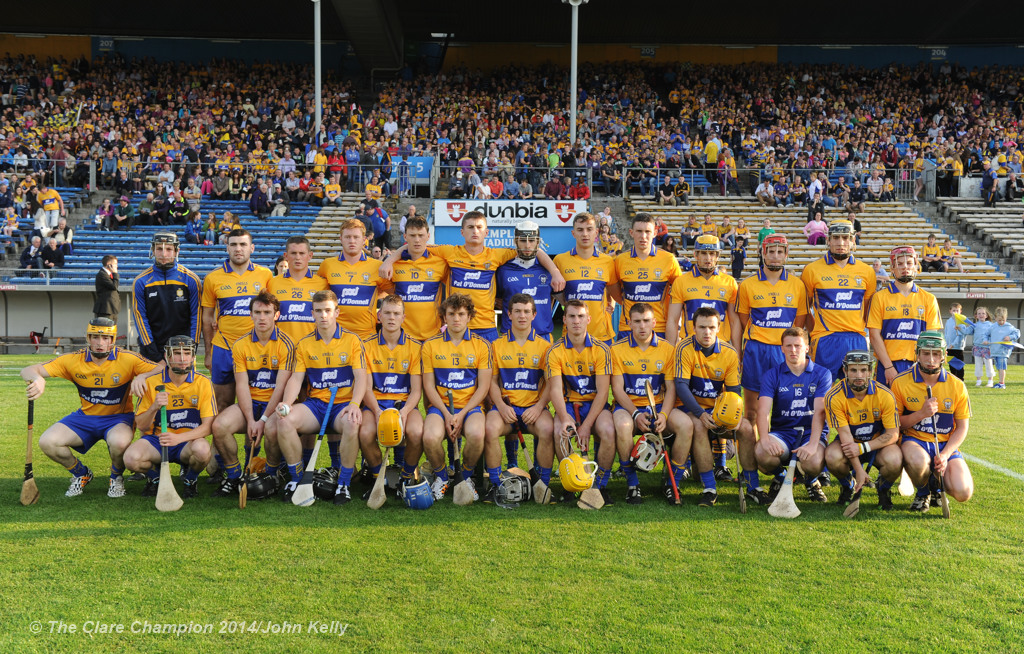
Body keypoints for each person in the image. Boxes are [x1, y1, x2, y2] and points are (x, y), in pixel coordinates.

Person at [21, 318, 160, 498]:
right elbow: (28, 370)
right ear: (88, 338)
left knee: (119, 442)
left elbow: (161, 369)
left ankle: (116, 477)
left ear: (113, 340)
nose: (100, 343)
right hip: (85, 417)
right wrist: (38, 378)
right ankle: (81, 473)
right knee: (47, 442)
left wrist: (143, 376)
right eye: (95, 337)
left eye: (106, 338)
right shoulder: (73, 360)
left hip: (118, 418)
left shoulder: (128, 358)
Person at [381, 210, 564, 342]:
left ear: (486, 232)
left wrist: (555, 271)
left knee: (490, 383)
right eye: (470, 227)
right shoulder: (450, 252)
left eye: (479, 227)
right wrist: (389, 261)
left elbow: (531, 248)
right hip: (457, 327)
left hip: (486, 328)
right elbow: (414, 245)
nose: (475, 231)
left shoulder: (496, 255)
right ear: (462, 232)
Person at [273, 290, 368, 504]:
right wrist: (287, 403)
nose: (323, 315)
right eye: (318, 311)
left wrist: (354, 404)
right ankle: (297, 479)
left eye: (328, 310)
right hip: (316, 405)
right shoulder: (304, 344)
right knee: (284, 421)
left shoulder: (352, 341)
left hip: (342, 404)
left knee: (353, 423)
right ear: (312, 314)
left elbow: (361, 378)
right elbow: (296, 380)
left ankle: (343, 484)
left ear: (337, 312)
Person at [668, 307, 756, 506]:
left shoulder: (730, 353)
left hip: (716, 410)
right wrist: (700, 413)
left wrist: (732, 418)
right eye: (701, 327)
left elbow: (734, 392)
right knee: (700, 426)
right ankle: (709, 488)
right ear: (693, 327)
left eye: (711, 327)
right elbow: (681, 386)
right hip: (690, 409)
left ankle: (753, 486)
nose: (706, 332)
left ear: (718, 328)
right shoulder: (684, 348)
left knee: (747, 428)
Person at [209, 292, 295, 498]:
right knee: (219, 426)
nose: (262, 317)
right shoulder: (240, 344)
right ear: (251, 315)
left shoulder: (287, 344)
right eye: (257, 312)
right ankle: (234, 476)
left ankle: (271, 475)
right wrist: (250, 420)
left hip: (274, 405)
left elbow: (281, 387)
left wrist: (264, 419)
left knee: (273, 429)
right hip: (250, 403)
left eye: (267, 312)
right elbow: (242, 385)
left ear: (277, 315)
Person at [420, 293, 493, 501]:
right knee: (430, 437)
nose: (456, 319)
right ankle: (442, 476)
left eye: (461, 314)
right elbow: (428, 386)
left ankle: (466, 476)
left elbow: (483, 387)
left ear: (469, 316)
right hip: (440, 407)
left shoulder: (482, 345)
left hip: (471, 407)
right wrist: (447, 414)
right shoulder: (430, 345)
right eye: (451, 314)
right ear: (444, 317)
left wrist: (461, 415)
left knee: (477, 434)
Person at [124, 336, 216, 500]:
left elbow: (208, 427)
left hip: (187, 441)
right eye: (176, 353)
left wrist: (178, 438)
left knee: (202, 451)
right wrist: (154, 407)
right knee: (131, 459)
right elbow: (141, 426)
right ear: (167, 356)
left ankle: (191, 479)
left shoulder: (203, 383)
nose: (182, 358)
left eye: (187, 353)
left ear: (193, 357)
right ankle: (155, 478)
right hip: (158, 440)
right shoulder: (152, 382)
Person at [890, 331, 974, 512]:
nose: (930, 359)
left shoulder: (957, 385)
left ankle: (936, 486)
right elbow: (895, 424)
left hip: (944, 444)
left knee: (963, 492)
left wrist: (945, 455)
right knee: (918, 460)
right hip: (914, 440)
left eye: (936, 354)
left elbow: (962, 428)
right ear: (917, 354)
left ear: (944, 355)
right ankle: (923, 492)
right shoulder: (900, 382)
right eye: (926, 353)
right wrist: (920, 414)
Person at [484, 294, 554, 502]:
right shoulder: (496, 345)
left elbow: (552, 383)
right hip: (506, 408)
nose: (522, 316)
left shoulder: (545, 346)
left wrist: (540, 406)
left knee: (548, 429)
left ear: (534, 315)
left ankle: (543, 484)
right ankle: (496, 485)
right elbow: (492, 382)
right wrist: (501, 407)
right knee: (489, 429)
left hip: (534, 408)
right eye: (517, 311)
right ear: (509, 314)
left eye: (526, 311)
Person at [545, 300, 616, 504]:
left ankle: (599, 485)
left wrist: (586, 426)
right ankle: (571, 483)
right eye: (572, 317)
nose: (577, 321)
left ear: (588, 319)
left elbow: (603, 393)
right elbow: (555, 390)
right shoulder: (555, 350)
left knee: (608, 431)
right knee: (560, 430)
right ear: (564, 320)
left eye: (581, 316)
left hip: (595, 404)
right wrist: (565, 417)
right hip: (568, 404)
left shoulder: (602, 350)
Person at [735, 235, 807, 429]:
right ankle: (755, 457)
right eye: (771, 251)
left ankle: (780, 455)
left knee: (787, 409)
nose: (775, 256)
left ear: (786, 255)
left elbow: (798, 325)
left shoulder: (797, 285)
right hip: (756, 350)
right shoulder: (748, 284)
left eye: (780, 252)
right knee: (751, 412)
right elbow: (743, 319)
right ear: (763, 253)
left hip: (784, 352)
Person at [755, 327, 833, 503]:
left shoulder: (822, 374)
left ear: (807, 347)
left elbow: (820, 412)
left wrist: (813, 444)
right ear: (781, 348)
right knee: (762, 453)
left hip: (809, 433)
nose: (793, 350)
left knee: (812, 462)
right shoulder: (772, 374)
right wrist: (765, 439)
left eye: (798, 345)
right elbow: (763, 411)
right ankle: (782, 477)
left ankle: (811, 481)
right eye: (788, 346)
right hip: (783, 433)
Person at [610, 302, 677, 505]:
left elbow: (671, 389)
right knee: (623, 426)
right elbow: (617, 390)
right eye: (637, 322)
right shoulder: (616, 349)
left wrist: (664, 416)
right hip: (627, 407)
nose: (642, 326)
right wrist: (636, 414)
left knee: (686, 425)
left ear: (654, 322)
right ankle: (632, 483)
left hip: (658, 407)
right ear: (628, 323)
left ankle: (673, 481)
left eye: (646, 321)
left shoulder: (667, 349)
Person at [201, 228, 274, 412]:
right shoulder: (212, 278)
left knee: (257, 404)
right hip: (224, 348)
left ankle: (252, 442)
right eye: (233, 244)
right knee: (221, 404)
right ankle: (218, 442)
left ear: (252, 248)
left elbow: (271, 312)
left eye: (243, 244)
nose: (238, 249)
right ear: (227, 248)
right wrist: (209, 352)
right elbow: (207, 317)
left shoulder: (265, 275)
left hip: (256, 349)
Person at [358, 295, 424, 497]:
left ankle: (405, 477)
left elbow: (416, 390)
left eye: (396, 314)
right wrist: (377, 411)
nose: (391, 318)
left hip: (403, 404)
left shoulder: (415, 346)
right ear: (379, 316)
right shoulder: (366, 345)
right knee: (365, 433)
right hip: (375, 404)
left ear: (404, 317)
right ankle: (381, 478)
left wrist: (403, 412)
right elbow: (366, 388)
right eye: (387, 313)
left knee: (416, 432)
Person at [823, 351, 902, 512]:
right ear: (845, 371)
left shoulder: (885, 394)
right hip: (849, 443)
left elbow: (892, 434)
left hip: (877, 445)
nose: (859, 375)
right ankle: (848, 485)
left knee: (894, 460)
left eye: (864, 370)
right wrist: (858, 471)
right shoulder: (834, 396)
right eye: (853, 370)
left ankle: (883, 489)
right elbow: (845, 437)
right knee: (832, 456)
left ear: (871, 371)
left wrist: (862, 448)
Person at [800, 220, 876, 379]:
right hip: (825, 341)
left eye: (845, 237)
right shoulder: (812, 270)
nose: (840, 242)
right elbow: (804, 310)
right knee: (821, 394)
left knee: (857, 395)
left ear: (853, 240)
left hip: (856, 339)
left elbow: (867, 311)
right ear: (828, 240)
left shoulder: (867, 272)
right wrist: (817, 332)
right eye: (835, 237)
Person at [868, 247, 942, 385]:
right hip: (888, 365)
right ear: (892, 268)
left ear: (916, 266)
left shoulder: (929, 299)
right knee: (887, 406)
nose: (905, 267)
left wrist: (922, 364)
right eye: (900, 264)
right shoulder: (879, 297)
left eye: (909, 263)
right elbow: (874, 335)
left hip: (918, 366)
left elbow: (931, 338)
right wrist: (888, 367)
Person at [132, 232, 203, 363]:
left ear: (177, 251)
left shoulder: (191, 279)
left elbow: (197, 317)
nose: (164, 254)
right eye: (159, 248)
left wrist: (191, 348)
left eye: (169, 249)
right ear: (153, 250)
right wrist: (155, 355)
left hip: (182, 348)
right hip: (151, 350)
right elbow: (140, 318)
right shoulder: (141, 281)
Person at [612, 213, 684, 340]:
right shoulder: (621, 260)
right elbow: (614, 290)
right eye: (639, 231)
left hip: (659, 328)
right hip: (628, 329)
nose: (643, 236)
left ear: (655, 232)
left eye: (647, 231)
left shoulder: (669, 259)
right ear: (631, 232)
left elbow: (680, 293)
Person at [316, 219, 389, 339]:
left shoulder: (376, 266)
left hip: (367, 337)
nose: (352, 241)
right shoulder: (327, 265)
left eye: (356, 237)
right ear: (341, 238)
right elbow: (318, 297)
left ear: (364, 239)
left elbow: (392, 293)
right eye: (347, 237)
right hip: (335, 337)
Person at [666, 235, 739, 349]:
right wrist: (670, 353)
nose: (708, 258)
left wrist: (737, 354)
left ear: (718, 256)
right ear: (696, 255)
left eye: (712, 253)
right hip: (689, 348)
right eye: (703, 253)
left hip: (721, 348)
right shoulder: (681, 282)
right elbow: (672, 320)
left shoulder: (730, 283)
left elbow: (735, 323)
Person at [386, 215, 448, 341]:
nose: (417, 240)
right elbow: (382, 291)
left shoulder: (440, 263)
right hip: (402, 337)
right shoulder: (394, 265)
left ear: (428, 236)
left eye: (421, 235)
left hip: (432, 336)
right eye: (412, 235)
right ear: (405, 237)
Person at [496, 221, 555, 339]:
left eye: (532, 240)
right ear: (515, 241)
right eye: (523, 240)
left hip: (542, 336)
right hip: (511, 337)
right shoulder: (503, 269)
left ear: (538, 242)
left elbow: (553, 297)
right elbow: (498, 301)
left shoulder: (549, 269)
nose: (527, 245)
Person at [268, 236, 329, 344]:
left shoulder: (322, 284)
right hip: (281, 349)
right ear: (286, 256)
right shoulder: (273, 283)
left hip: (313, 349)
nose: (297, 257)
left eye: (302, 253)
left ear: (310, 255)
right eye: (293, 253)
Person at [984, 307, 1020, 389]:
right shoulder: (992, 327)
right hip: (994, 350)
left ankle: (1001, 384)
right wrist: (986, 340)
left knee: (1001, 367)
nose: (1001, 322)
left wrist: (1010, 337)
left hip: (1004, 351)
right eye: (999, 320)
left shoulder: (1009, 326)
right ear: (995, 318)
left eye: (1003, 320)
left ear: (1006, 318)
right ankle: (1000, 383)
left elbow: (1017, 333)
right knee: (998, 367)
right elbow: (986, 334)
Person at [959, 306, 995, 387]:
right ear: (976, 316)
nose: (981, 315)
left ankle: (990, 381)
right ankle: (978, 381)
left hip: (987, 348)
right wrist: (960, 327)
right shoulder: (974, 325)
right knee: (978, 365)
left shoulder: (991, 325)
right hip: (977, 348)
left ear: (986, 315)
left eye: (983, 313)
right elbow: (966, 331)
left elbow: (994, 334)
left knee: (989, 364)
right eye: (979, 313)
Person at [944, 303, 967, 381]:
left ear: (960, 311)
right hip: (949, 347)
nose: (955, 312)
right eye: (954, 310)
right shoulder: (948, 321)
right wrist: (945, 344)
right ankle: (954, 379)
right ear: (950, 311)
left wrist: (954, 344)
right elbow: (946, 333)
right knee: (952, 364)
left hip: (958, 347)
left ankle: (960, 380)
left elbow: (960, 335)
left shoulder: (961, 322)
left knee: (959, 365)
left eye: (957, 310)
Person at [94, 255, 120, 323]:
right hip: (105, 309)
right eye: (115, 264)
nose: (117, 266)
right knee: (105, 331)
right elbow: (114, 286)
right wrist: (115, 273)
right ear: (109, 265)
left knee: (112, 331)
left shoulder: (108, 274)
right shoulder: (102, 274)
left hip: (112, 309)